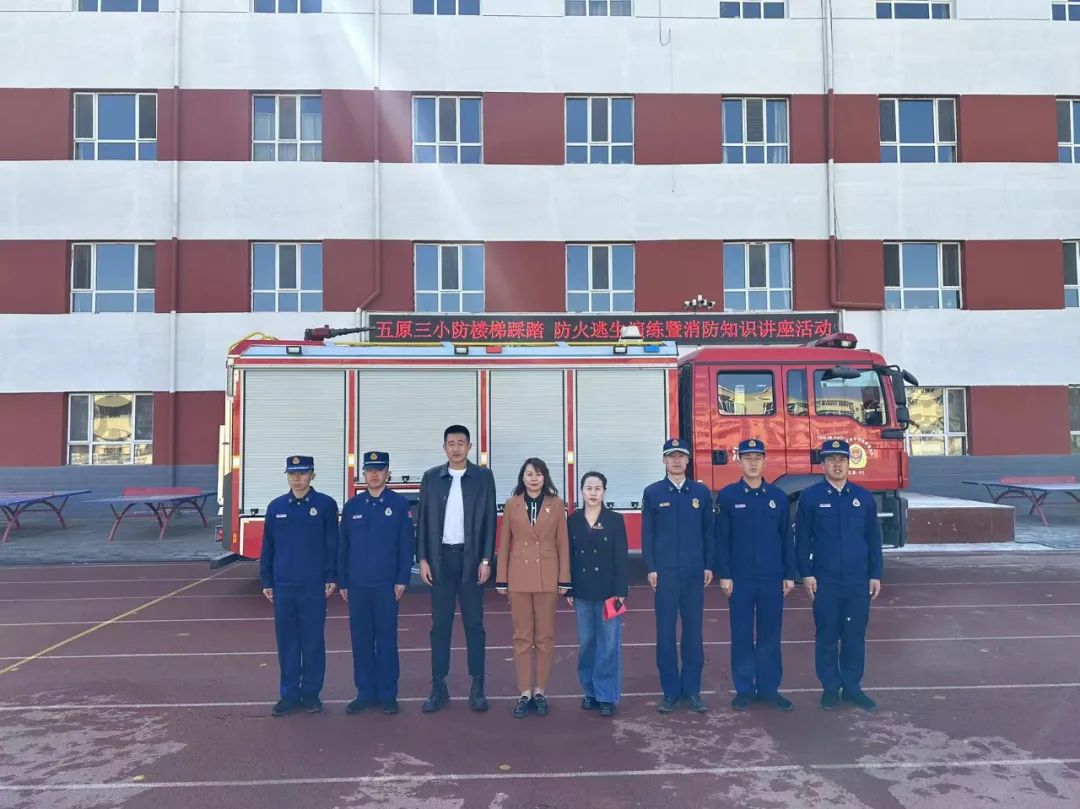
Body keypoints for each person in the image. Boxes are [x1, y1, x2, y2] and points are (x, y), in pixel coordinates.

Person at [795, 439, 883, 712]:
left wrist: (875, 574)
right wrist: (806, 574)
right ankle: (830, 688)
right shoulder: (810, 497)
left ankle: (853, 688)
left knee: (855, 635)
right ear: (823, 465)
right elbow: (802, 540)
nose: (837, 465)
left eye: (841, 460)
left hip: (857, 580)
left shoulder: (863, 498)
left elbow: (873, 539)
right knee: (827, 635)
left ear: (848, 463)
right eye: (831, 460)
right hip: (826, 580)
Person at [415, 425, 497, 713]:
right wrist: (422, 559)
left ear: (469, 446)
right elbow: (423, 520)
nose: (456, 448)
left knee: (474, 624)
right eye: (451, 443)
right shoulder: (431, 478)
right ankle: (438, 686)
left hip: (471, 560)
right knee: (440, 625)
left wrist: (486, 560)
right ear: (444, 448)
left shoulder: (483, 477)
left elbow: (490, 520)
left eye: (461, 443)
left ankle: (478, 685)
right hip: (441, 561)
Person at [715, 439, 797, 712]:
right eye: (747, 458)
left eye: (757, 458)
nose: (752, 463)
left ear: (765, 461)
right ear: (738, 461)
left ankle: (769, 689)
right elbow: (721, 539)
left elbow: (786, 538)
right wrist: (725, 574)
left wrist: (789, 573)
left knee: (770, 635)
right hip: (740, 579)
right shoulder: (728, 496)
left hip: (771, 577)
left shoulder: (778, 497)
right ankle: (744, 690)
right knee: (741, 635)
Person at [259, 455, 339, 717]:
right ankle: (289, 694)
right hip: (284, 586)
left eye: (302, 473)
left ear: (312, 475)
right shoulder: (276, 507)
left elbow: (332, 544)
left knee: (313, 641)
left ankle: (311, 693)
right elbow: (268, 547)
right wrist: (267, 580)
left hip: (313, 586)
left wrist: (331, 576)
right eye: (292, 474)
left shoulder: (325, 505)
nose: (297, 478)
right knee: (287, 643)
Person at [641, 438, 715, 715]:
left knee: (693, 633)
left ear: (688, 460)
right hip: (666, 575)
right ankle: (670, 692)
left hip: (694, 574)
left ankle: (692, 691)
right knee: (665, 633)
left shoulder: (701, 493)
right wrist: (651, 567)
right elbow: (647, 534)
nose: (676, 461)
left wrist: (708, 565)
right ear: (664, 460)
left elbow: (709, 533)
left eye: (681, 456)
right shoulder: (653, 493)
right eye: (671, 456)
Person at [339, 451, 414, 716]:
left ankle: (387, 695)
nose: (374, 474)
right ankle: (365, 693)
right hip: (357, 585)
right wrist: (343, 581)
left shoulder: (399, 505)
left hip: (386, 586)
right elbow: (343, 547)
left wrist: (402, 578)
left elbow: (406, 545)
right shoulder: (352, 506)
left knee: (386, 641)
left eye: (379, 470)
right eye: (369, 469)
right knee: (361, 641)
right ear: (363, 473)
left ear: (388, 473)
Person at [495, 458, 571, 718]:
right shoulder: (512, 504)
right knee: (522, 636)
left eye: (538, 474)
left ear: (545, 477)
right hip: (518, 577)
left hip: (547, 577)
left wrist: (564, 579)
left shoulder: (556, 504)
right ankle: (524, 692)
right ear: (522, 477)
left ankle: (540, 691)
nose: (534, 478)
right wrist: (502, 578)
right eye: (529, 474)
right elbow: (505, 542)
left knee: (545, 637)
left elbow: (563, 543)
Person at [566, 471, 628, 718]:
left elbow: (621, 558)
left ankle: (606, 695)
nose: (593, 493)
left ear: (604, 492)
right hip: (582, 592)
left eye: (597, 488)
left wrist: (621, 591)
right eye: (589, 488)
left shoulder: (615, 520)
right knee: (587, 644)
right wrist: (568, 587)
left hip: (608, 593)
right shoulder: (572, 521)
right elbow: (568, 557)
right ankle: (590, 691)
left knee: (608, 645)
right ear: (582, 491)